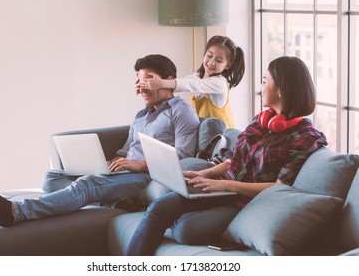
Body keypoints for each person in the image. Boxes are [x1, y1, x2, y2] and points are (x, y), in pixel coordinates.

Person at [126, 56, 328, 256]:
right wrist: (206, 173)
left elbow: (279, 186)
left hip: (245, 202)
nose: (261, 86)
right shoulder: (262, 120)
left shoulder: (305, 137)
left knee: (184, 230)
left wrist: (226, 185)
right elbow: (234, 160)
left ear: (282, 90)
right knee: (159, 207)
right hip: (222, 190)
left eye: (265, 81)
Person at [0, 54, 200, 227]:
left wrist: (139, 165)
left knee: (87, 184)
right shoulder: (142, 114)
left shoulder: (181, 111)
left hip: (146, 177)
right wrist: (107, 162)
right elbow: (126, 150)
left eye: (148, 79)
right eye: (139, 81)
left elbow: (183, 157)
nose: (142, 86)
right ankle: (116, 201)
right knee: (52, 177)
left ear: (168, 81)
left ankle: (15, 212)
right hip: (123, 174)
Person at [137, 35, 245, 127]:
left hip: (221, 139)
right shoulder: (197, 76)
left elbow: (191, 85)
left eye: (219, 60)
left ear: (228, 65)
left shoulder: (220, 83)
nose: (211, 62)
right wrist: (144, 86)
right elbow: (184, 82)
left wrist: (160, 83)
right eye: (209, 55)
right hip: (205, 133)